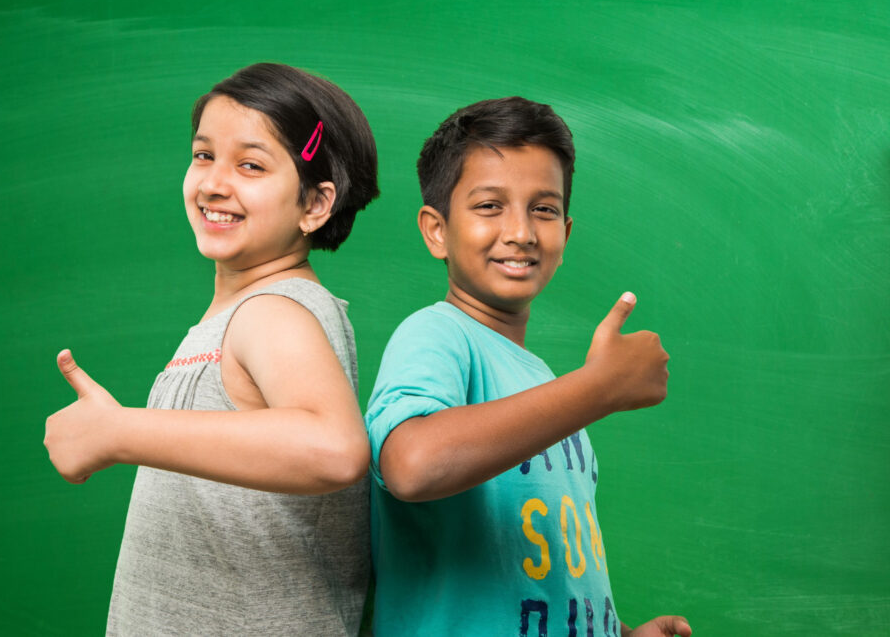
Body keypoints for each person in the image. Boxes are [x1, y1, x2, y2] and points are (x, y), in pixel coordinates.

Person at [43, 63, 379, 636]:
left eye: (250, 165)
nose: (215, 183)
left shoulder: (274, 311)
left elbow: (334, 448)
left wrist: (119, 432)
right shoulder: (235, 316)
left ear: (315, 205)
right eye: (204, 156)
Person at [365, 97, 691, 636]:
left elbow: (536, 580)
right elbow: (411, 464)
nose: (521, 232)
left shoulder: (541, 383)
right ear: (436, 230)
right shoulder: (437, 333)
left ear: (565, 230)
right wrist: (599, 388)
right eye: (490, 206)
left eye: (543, 209)